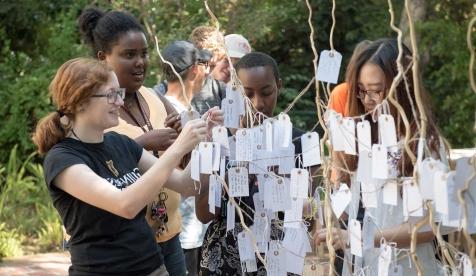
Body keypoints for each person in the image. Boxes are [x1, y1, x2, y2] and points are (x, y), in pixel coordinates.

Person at [32, 57, 222, 275]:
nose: (120, 102)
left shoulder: (119, 143)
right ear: (81, 101)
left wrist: (206, 140)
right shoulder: (63, 158)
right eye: (111, 95)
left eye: (119, 93)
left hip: (153, 267)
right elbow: (125, 205)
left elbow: (186, 185)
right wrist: (179, 147)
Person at [314, 38, 446, 275]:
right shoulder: (362, 136)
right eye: (362, 91)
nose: (366, 100)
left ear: (402, 86)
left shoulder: (424, 145)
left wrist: (361, 238)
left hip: (407, 267)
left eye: (376, 91)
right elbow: (354, 207)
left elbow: (431, 226)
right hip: (362, 266)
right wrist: (315, 208)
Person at [78, 7, 185, 275]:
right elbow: (92, 166)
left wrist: (184, 139)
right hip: (124, 248)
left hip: (170, 234)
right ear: (104, 58)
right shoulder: (91, 110)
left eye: (144, 53)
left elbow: (182, 164)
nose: (140, 62)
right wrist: (145, 142)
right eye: (129, 54)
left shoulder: (155, 97)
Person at [195, 52, 305, 275]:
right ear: (234, 93)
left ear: (279, 86)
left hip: (279, 256)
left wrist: (280, 179)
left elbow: (308, 214)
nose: (258, 104)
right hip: (224, 258)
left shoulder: (299, 142)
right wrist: (236, 165)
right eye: (248, 95)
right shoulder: (218, 142)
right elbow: (204, 214)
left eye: (266, 93)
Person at [161, 40, 212, 275]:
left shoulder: (184, 110)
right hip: (181, 232)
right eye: (204, 64)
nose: (207, 71)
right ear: (194, 70)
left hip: (188, 228)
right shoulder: (172, 114)